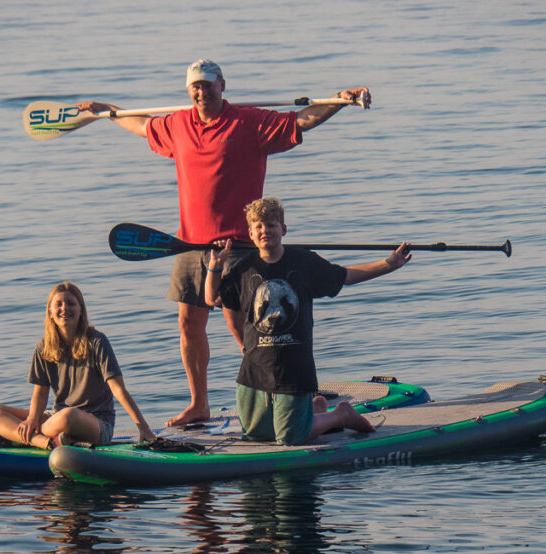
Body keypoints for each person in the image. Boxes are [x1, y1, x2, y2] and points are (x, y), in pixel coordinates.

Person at [77, 59, 373, 427]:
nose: (201, 92)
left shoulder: (250, 122)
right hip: (188, 245)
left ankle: (286, 395)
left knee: (245, 327)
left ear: (222, 85)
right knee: (189, 323)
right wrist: (109, 112)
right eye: (194, 87)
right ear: (189, 91)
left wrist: (338, 101)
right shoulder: (178, 124)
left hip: (239, 248)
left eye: (207, 85)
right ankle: (199, 404)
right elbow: (139, 125)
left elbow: (302, 121)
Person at [204, 198, 411, 445]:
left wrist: (388, 264)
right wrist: (215, 267)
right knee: (257, 437)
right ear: (250, 234)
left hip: (294, 369)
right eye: (258, 227)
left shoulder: (303, 262)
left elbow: (345, 276)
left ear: (283, 229)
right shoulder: (241, 267)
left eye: (270, 225)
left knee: (290, 438)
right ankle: (316, 410)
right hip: (254, 369)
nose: (264, 231)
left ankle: (340, 416)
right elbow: (212, 298)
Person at [0, 282, 155, 449]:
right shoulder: (44, 347)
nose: (65, 308)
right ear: (50, 311)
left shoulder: (97, 341)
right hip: (55, 419)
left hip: (96, 423)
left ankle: (18, 437)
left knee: (68, 416)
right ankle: (41, 441)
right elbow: (40, 394)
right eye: (58, 304)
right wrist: (32, 419)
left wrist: (143, 427)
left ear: (81, 310)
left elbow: (118, 390)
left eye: (71, 304)